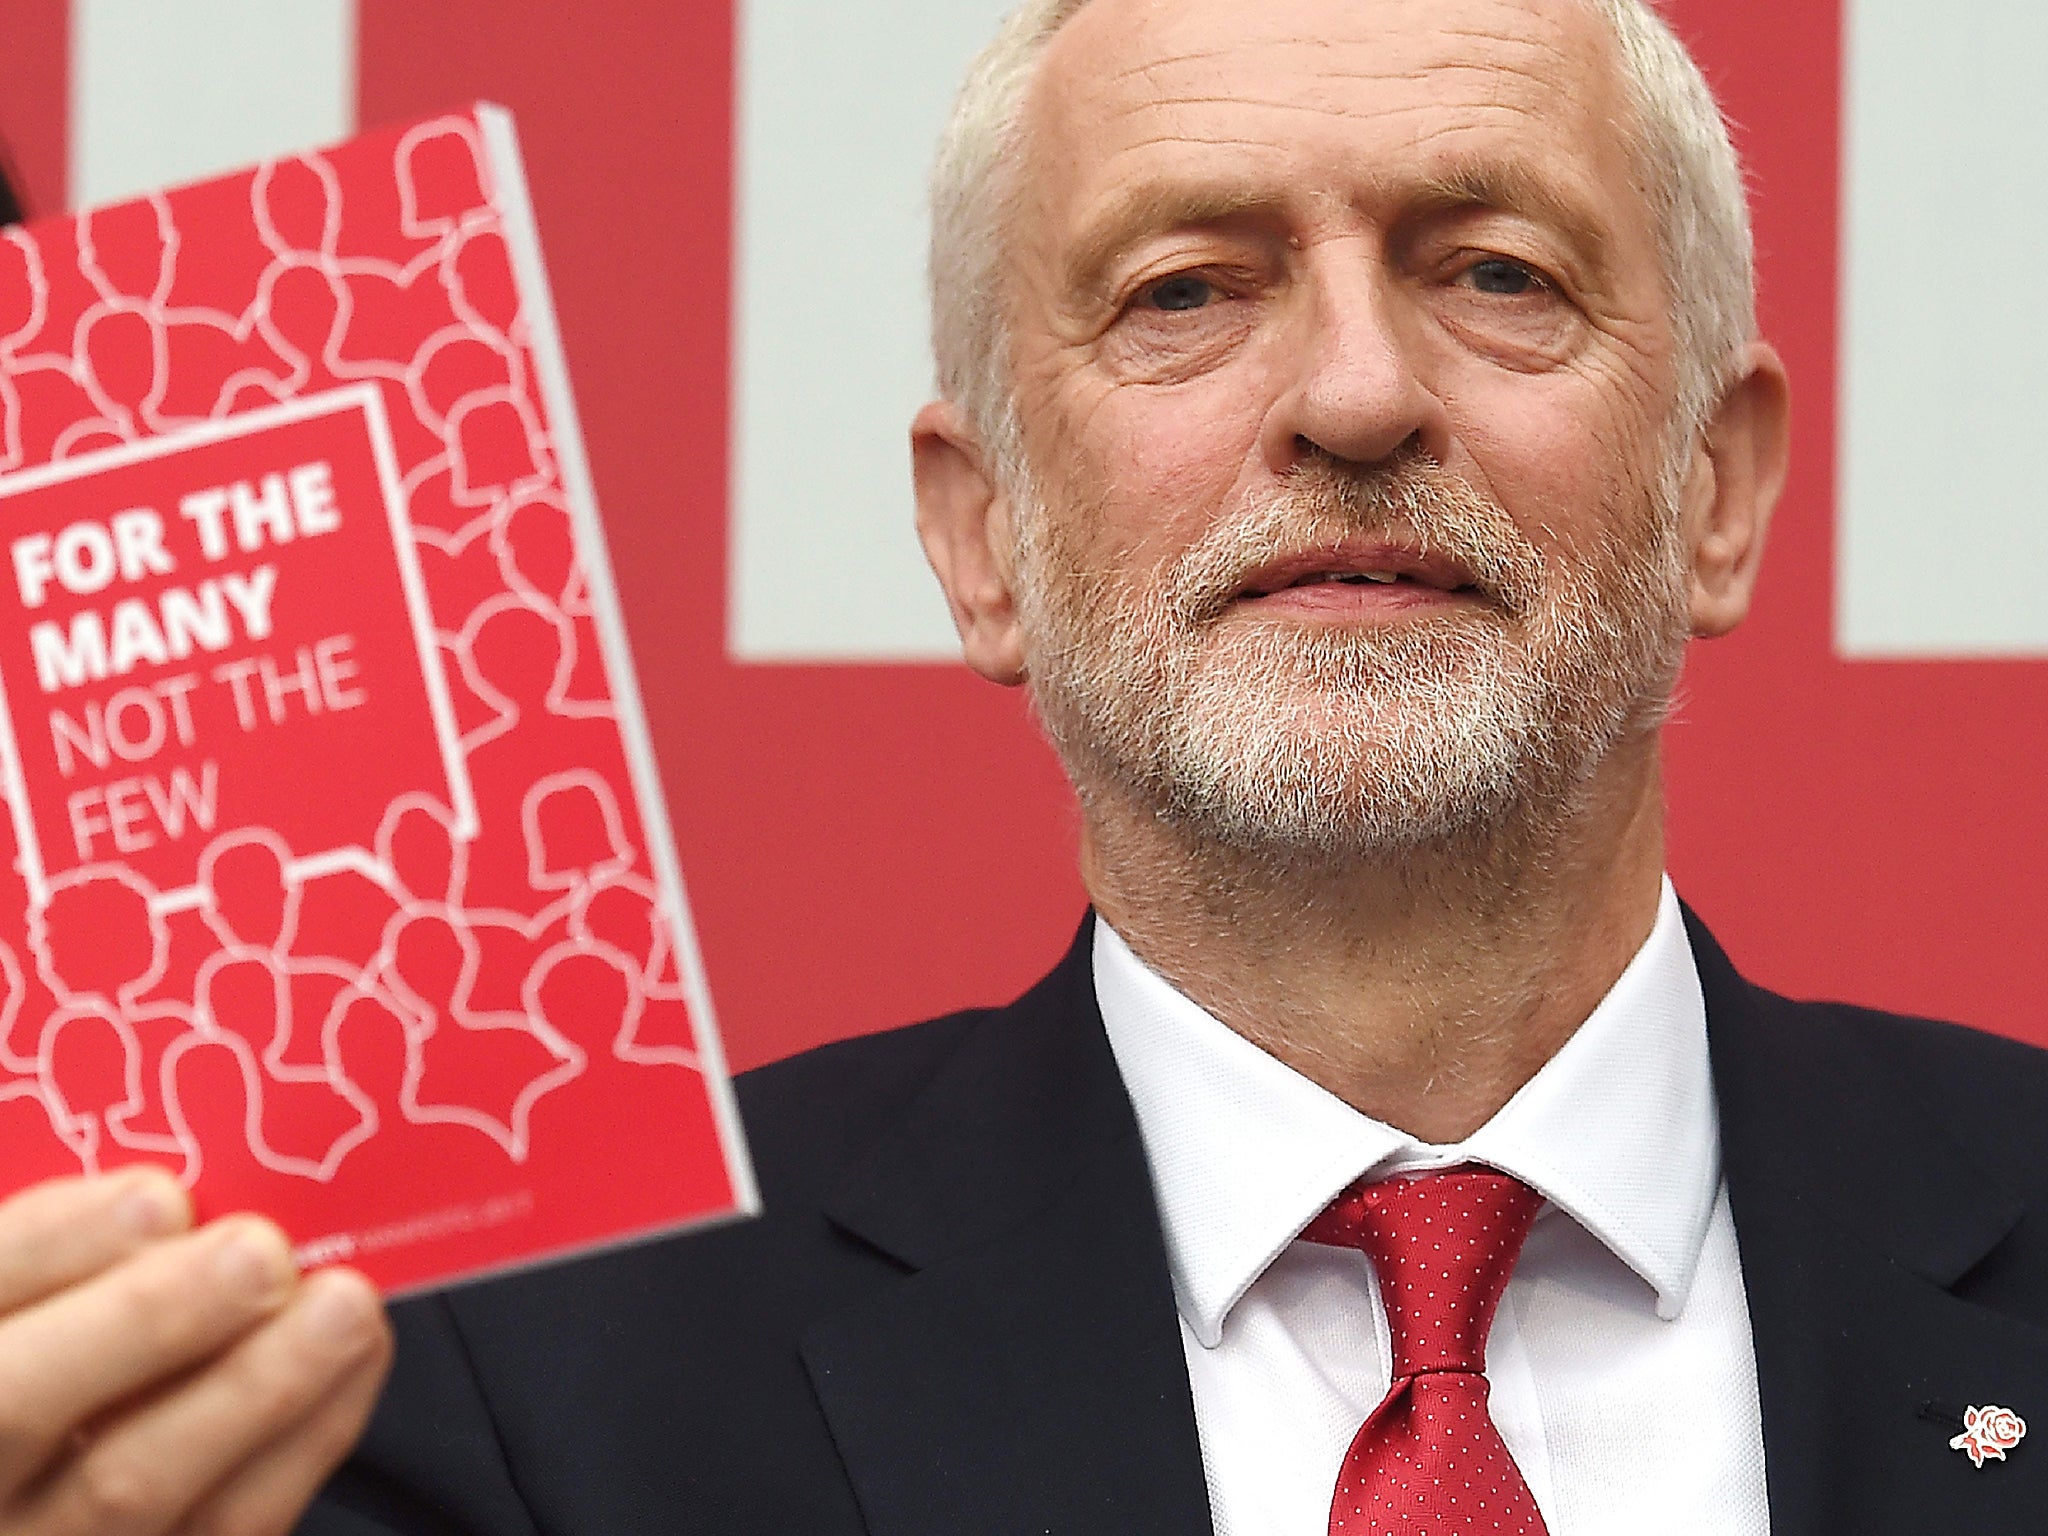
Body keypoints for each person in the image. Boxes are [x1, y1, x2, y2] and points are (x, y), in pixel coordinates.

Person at [3, 0, 2046, 1531]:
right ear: (979, 540)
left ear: (1717, 485)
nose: (1350, 393)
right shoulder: (510, 1381)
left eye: (1494, 272)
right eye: (1183, 294)